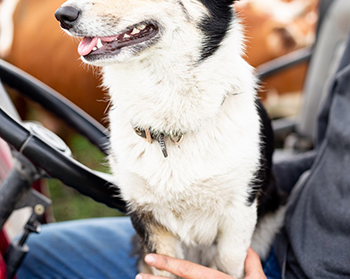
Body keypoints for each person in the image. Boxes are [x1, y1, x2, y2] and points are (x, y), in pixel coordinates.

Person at [17, 35, 350, 279]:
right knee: (31, 252)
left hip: (287, 268)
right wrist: (250, 178)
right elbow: (327, 158)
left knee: (25, 258)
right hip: (285, 224)